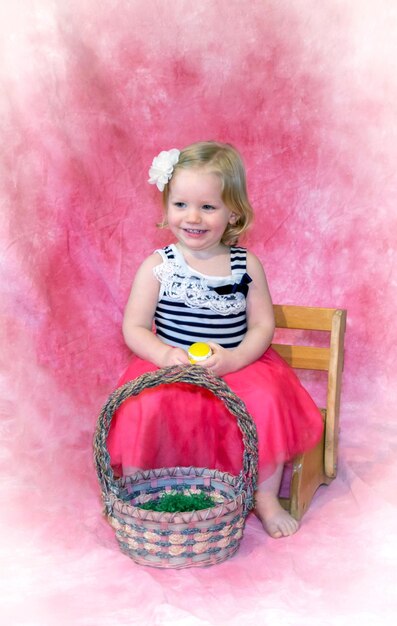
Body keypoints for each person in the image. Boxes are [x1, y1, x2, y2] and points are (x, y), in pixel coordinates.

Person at [107, 141, 323, 538]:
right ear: (166, 206)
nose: (193, 217)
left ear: (233, 212)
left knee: (265, 402)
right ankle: (137, 494)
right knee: (144, 402)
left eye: (208, 207)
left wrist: (236, 359)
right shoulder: (159, 266)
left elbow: (261, 327)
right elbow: (134, 327)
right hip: (172, 362)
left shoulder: (246, 264)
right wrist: (165, 354)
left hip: (234, 365)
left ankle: (264, 497)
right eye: (181, 205)